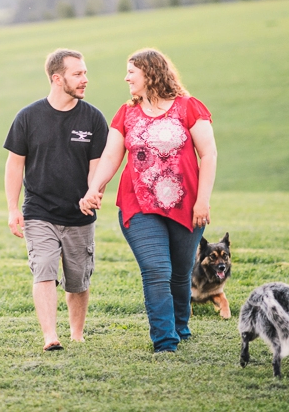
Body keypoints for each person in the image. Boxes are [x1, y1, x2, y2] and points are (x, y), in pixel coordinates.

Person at [80, 48, 216, 353]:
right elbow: (111, 156)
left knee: (180, 272)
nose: (126, 77)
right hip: (138, 204)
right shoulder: (126, 113)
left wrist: (203, 201)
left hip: (186, 205)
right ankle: (165, 341)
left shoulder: (188, 108)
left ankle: (180, 324)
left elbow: (208, 154)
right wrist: (94, 188)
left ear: (150, 72)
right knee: (156, 269)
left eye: (131, 71)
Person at [4, 48, 108, 352]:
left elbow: (97, 168)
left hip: (79, 215)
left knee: (78, 281)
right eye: (78, 74)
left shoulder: (93, 119)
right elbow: (14, 164)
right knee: (44, 268)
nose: (85, 79)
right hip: (39, 211)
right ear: (57, 77)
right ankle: (50, 336)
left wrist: (93, 194)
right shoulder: (28, 117)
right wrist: (13, 208)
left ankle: (77, 333)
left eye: (85, 72)